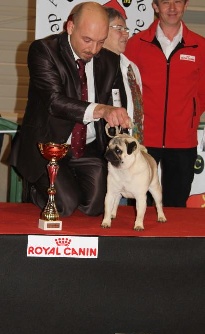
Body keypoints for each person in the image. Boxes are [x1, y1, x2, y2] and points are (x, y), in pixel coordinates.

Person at [10, 1, 131, 216]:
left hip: (89, 148)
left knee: (97, 207)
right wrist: (101, 110)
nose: (93, 50)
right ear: (70, 27)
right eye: (87, 40)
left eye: (101, 42)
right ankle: (35, 190)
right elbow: (54, 101)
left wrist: (120, 118)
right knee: (65, 206)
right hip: (48, 147)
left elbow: (115, 102)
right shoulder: (44, 50)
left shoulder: (111, 61)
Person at [125, 0, 205, 207]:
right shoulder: (136, 44)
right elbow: (126, 87)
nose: (172, 8)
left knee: (176, 206)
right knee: (141, 204)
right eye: (166, 2)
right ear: (155, 6)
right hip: (143, 140)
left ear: (185, 6)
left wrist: (190, 117)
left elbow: (203, 92)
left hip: (182, 140)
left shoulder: (200, 46)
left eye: (178, 1)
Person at [103, 7, 143, 143]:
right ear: (102, 30)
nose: (125, 34)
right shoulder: (89, 66)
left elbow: (137, 114)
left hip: (130, 147)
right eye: (119, 29)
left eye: (126, 30)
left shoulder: (132, 68)